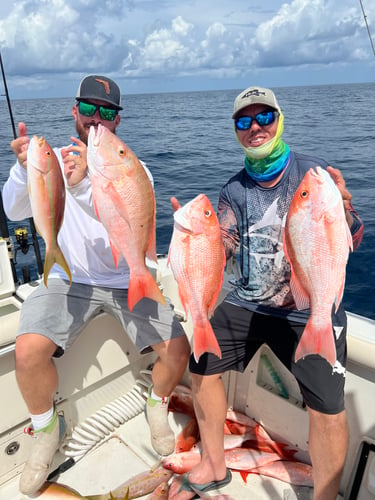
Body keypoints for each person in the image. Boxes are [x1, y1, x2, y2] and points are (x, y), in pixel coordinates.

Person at [169, 86, 364, 500]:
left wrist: (345, 213)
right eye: (244, 121)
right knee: (202, 364)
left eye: (264, 118)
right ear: (236, 130)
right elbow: (223, 248)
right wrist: (192, 239)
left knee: (328, 407)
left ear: (279, 119)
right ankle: (214, 464)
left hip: (306, 308)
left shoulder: (315, 174)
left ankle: (325, 496)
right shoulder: (233, 190)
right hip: (248, 301)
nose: (255, 127)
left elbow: (353, 237)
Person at [2, 75, 190, 496]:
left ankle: (157, 404)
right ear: (75, 111)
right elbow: (15, 208)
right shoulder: (53, 159)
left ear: (117, 121)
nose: (97, 119)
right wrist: (21, 169)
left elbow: (118, 218)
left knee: (178, 349)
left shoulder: (131, 165)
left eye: (107, 112)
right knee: (28, 351)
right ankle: (45, 430)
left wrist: (87, 180)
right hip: (70, 277)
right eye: (89, 109)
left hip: (128, 278)